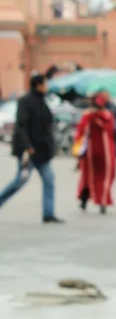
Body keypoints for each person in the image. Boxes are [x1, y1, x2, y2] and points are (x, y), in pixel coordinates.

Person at [0, 74, 63, 223]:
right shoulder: (25, 101)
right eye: (45, 84)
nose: (46, 87)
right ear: (39, 85)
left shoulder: (42, 101)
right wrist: (27, 146)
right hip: (29, 151)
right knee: (19, 181)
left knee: (49, 180)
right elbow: (21, 126)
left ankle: (48, 213)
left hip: (42, 151)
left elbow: (47, 127)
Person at [74, 91, 116, 214]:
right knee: (105, 177)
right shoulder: (107, 116)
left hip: (90, 153)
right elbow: (112, 132)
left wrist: (77, 152)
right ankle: (102, 201)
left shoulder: (88, 116)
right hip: (106, 153)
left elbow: (80, 134)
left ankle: (84, 200)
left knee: (87, 177)